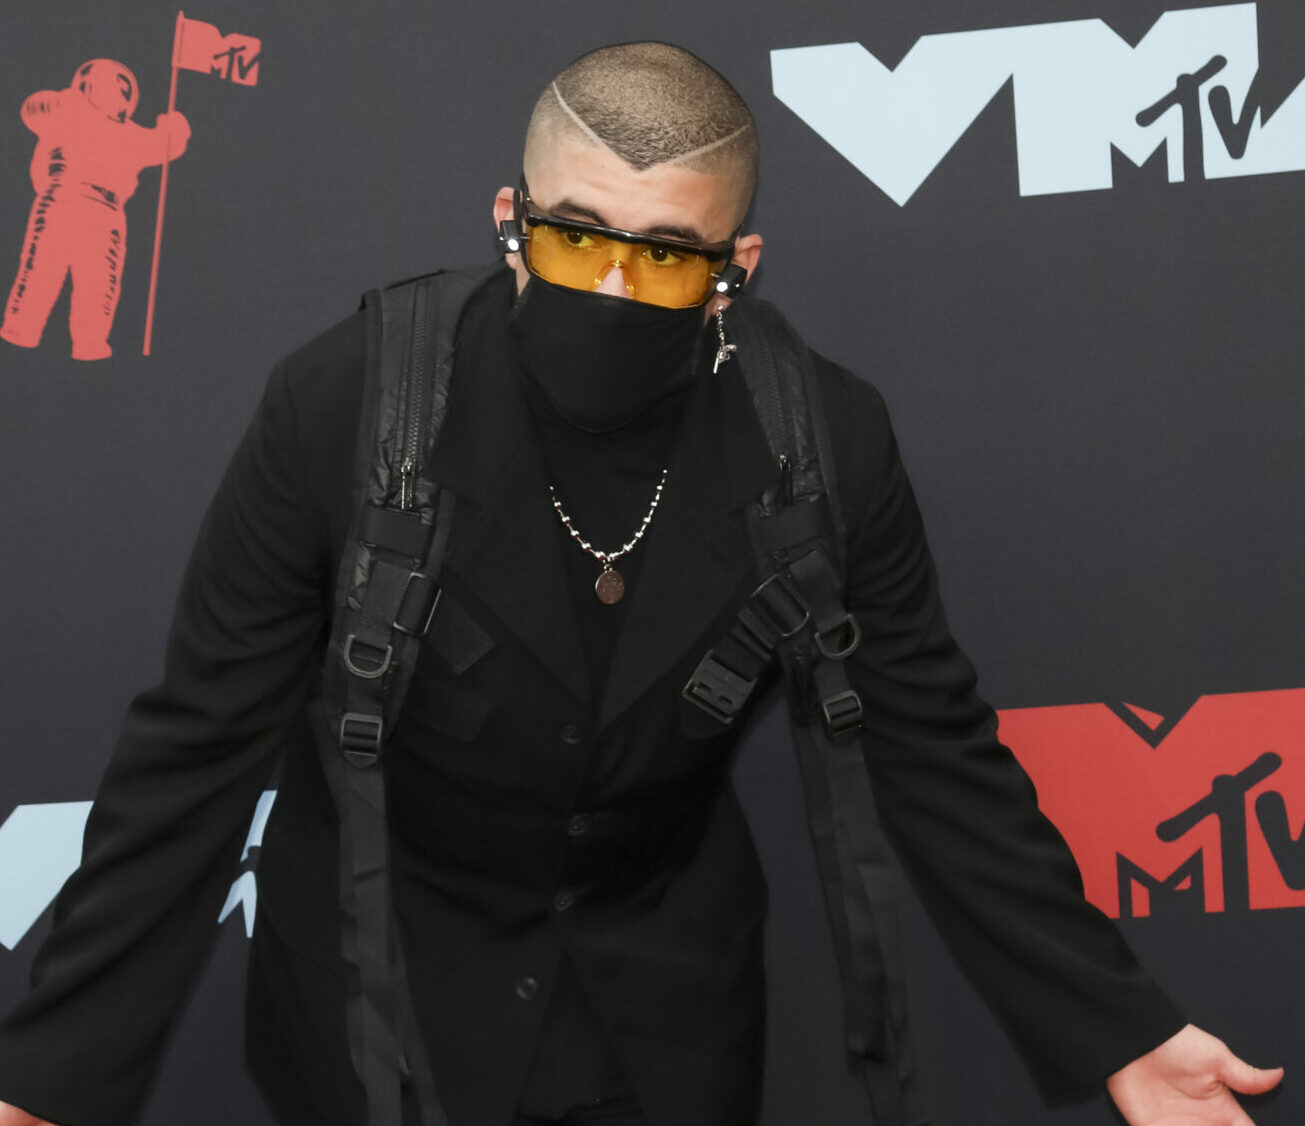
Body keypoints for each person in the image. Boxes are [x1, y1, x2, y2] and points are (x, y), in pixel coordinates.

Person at [0, 42, 1283, 1126]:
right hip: (377, 983)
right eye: (577, 238)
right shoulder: (346, 406)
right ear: (510, 225)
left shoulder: (821, 439)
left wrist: (1120, 1027)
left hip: (665, 1008)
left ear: (740, 265)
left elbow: (934, 751)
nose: (614, 285)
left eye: (666, 256)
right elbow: (195, 750)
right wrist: (42, 1072)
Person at [1, 59, 191, 361]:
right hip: (63, 196)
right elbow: (32, 110)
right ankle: (20, 330)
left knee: (99, 283)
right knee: (43, 269)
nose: (119, 92)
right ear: (90, 84)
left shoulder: (130, 134)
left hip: (107, 211)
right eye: (114, 84)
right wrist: (64, 100)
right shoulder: (67, 110)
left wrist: (174, 131)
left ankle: (89, 343)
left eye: (123, 88)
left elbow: (161, 146)